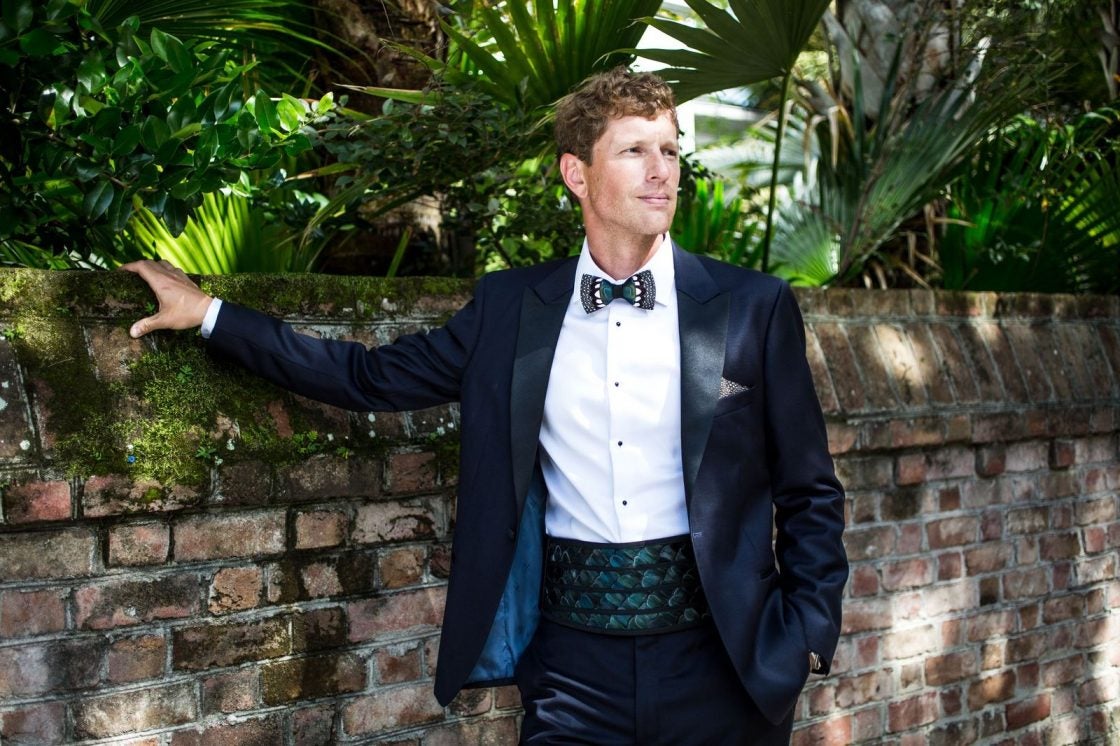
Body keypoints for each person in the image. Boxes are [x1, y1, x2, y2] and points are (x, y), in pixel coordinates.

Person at [123, 67, 847, 744]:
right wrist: (211, 314)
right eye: (634, 151)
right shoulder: (511, 308)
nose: (661, 170)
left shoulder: (752, 307)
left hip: (725, 663)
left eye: (669, 150)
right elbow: (369, 378)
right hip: (572, 673)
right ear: (576, 174)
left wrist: (809, 634)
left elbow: (809, 488)